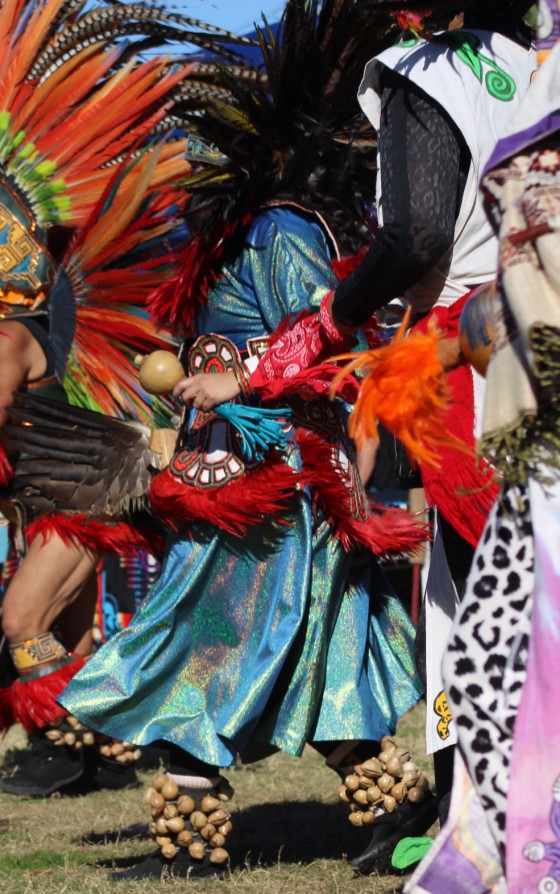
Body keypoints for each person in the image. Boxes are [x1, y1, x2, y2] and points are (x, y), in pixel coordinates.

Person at [61, 0, 429, 879]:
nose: (194, 163)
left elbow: (330, 340)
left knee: (210, 638)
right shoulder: (239, 233)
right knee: (303, 646)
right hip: (239, 476)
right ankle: (389, 805)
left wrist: (238, 378)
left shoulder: (283, 229)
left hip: (272, 488)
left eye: (209, 148)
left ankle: (206, 835)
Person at [0, 0, 245, 798]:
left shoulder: (2, 339)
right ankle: (89, 751)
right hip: (69, 493)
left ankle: (107, 729)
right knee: (64, 630)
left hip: (94, 496)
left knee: (21, 625)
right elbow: (2, 445)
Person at [403, 3, 560, 889]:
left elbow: (420, 235)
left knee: (487, 631)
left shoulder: (434, 74)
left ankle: (495, 831)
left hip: (518, 384)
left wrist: (339, 326)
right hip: (518, 377)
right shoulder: (524, 64)